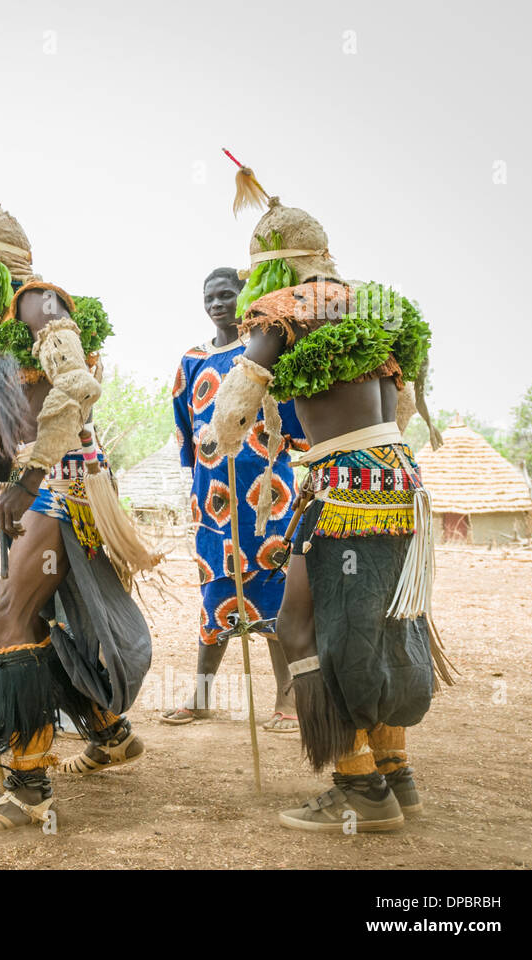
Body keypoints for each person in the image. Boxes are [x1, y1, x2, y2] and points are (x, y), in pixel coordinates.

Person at [198, 160, 440, 832]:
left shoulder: (281, 312)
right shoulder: (376, 309)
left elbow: (233, 410)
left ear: (269, 269)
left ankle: (358, 786)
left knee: (305, 627)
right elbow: (407, 406)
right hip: (400, 481)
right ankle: (397, 774)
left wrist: (226, 439)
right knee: (388, 621)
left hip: (343, 489)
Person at [0, 189, 158, 833]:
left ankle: (27, 789)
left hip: (64, 485)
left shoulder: (40, 299)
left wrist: (29, 480)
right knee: (37, 614)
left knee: (9, 613)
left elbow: (75, 388)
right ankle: (109, 733)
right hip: (42, 485)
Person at [163, 267, 308, 731]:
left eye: (227, 295)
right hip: (213, 500)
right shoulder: (191, 361)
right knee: (215, 593)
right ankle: (202, 696)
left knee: (273, 591)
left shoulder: (266, 353)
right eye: (210, 297)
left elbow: (292, 423)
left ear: (246, 297)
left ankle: (287, 699)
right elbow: (187, 429)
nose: (217, 303)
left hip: (268, 495)